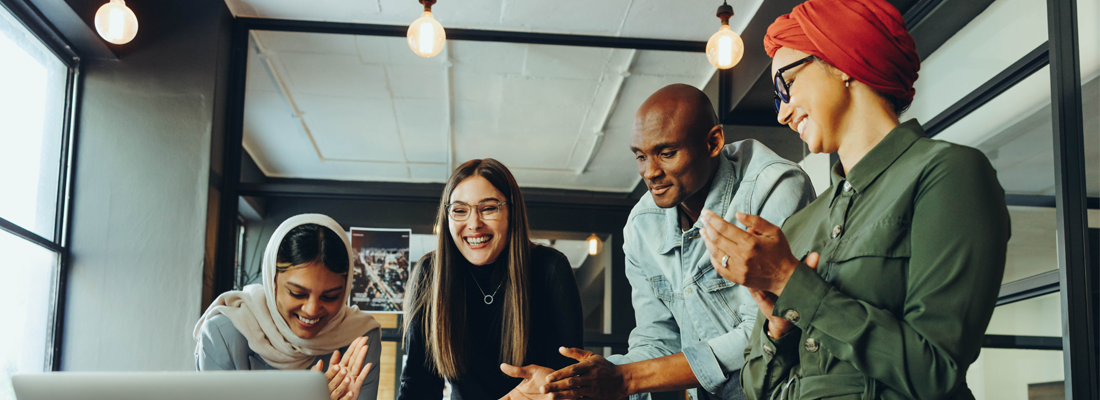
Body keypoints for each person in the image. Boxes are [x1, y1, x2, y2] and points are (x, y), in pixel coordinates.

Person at [695, 0, 1011, 398]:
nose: (782, 112)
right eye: (777, 99)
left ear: (842, 61)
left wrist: (791, 282)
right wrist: (778, 326)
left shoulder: (949, 174)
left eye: (785, 86)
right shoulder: (799, 225)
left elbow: (935, 371)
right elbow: (757, 388)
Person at [525, 84, 815, 400]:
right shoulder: (641, 225)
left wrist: (626, 379)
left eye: (666, 153)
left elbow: (761, 330)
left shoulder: (774, 187)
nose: (649, 173)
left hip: (790, 387)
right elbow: (656, 338)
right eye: (640, 156)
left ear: (713, 142)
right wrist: (578, 383)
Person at [398, 158, 584, 400]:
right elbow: (418, 386)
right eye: (460, 210)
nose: (474, 224)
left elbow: (571, 378)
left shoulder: (550, 268)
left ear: (512, 212)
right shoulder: (429, 274)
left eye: (488, 208)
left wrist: (554, 386)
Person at [195, 214, 383, 400]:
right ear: (272, 282)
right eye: (297, 293)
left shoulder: (359, 338)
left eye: (330, 296)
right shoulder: (224, 335)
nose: (312, 309)